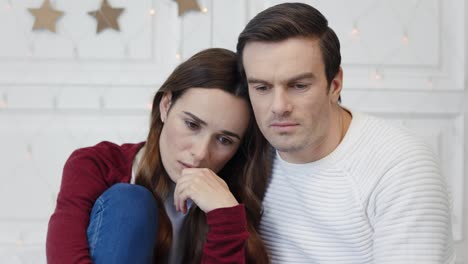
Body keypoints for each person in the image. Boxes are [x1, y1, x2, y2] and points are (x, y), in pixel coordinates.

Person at [236, 2, 455, 263]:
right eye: (261, 88)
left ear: (335, 84)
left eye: (298, 85)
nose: (279, 107)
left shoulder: (400, 166)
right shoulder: (246, 150)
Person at [46, 48, 270, 264]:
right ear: (165, 105)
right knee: (130, 203)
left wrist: (225, 216)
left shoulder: (239, 195)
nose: (201, 153)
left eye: (224, 140)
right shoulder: (96, 165)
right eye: (192, 124)